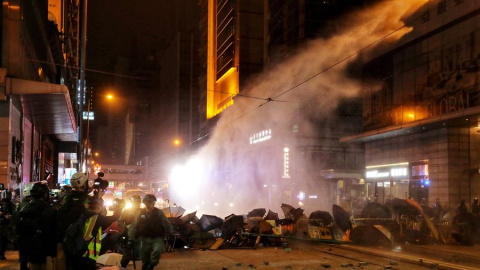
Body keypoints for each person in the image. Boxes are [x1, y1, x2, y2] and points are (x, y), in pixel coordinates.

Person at [16, 181, 57, 270]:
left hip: (30, 250)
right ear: (45, 195)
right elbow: (54, 232)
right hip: (45, 250)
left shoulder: (24, 209)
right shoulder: (49, 211)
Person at [129, 194, 172, 270]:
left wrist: (170, 232)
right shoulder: (140, 213)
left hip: (157, 237)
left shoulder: (158, 212)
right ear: (147, 203)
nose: (153, 204)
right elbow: (134, 225)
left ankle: (152, 265)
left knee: (158, 250)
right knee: (144, 256)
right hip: (145, 238)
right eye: (152, 203)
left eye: (154, 203)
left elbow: (166, 223)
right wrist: (131, 238)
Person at [118, 195, 141, 268]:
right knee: (127, 255)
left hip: (140, 235)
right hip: (128, 235)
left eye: (138, 201)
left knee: (140, 254)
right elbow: (119, 222)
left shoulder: (143, 211)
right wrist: (126, 226)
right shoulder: (127, 211)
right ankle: (123, 267)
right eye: (135, 201)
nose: (137, 203)